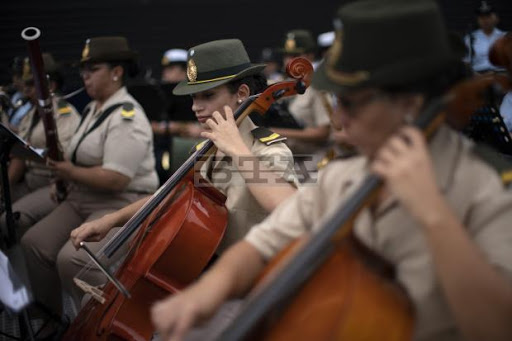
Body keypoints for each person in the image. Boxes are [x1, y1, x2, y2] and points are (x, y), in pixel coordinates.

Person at [150, 1, 512, 341]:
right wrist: (203, 294)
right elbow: (264, 242)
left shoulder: (486, 187)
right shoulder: (345, 175)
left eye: (351, 104)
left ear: (408, 103)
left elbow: (496, 326)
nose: (338, 120)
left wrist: (435, 216)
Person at [67, 39, 297, 309]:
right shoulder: (205, 150)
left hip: (253, 286)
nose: (195, 107)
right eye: (193, 97)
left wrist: (236, 148)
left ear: (242, 92)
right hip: (205, 275)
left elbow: (291, 209)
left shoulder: (272, 151)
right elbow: (167, 194)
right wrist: (111, 220)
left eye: (208, 95)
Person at [20, 36, 159, 323]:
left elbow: (116, 179)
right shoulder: (92, 109)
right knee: (34, 242)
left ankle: (109, 323)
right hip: (81, 198)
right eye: (83, 70)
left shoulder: (127, 115)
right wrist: (66, 181)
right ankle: (52, 322)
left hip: (120, 201)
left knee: (73, 259)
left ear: (116, 72)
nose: (84, 76)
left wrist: (67, 172)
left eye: (92, 69)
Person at [0, 53, 80, 243]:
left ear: (50, 86)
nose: (26, 92)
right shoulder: (31, 114)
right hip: (29, 180)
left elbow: (66, 156)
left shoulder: (63, 113)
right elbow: (19, 150)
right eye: (25, 86)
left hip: (52, 184)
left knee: (11, 220)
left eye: (31, 85)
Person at [270, 29, 332, 170]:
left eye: (295, 55)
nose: (289, 60)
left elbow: (323, 133)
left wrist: (276, 132)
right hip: (285, 158)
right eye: (286, 55)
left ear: (310, 56)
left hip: (313, 159)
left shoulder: (318, 86)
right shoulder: (278, 84)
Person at [464, 1, 506, 73]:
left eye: (488, 16)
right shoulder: (469, 38)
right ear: (477, 20)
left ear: (497, 18)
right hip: (479, 76)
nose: (485, 20)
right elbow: (465, 62)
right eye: (481, 17)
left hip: (502, 74)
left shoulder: (505, 37)